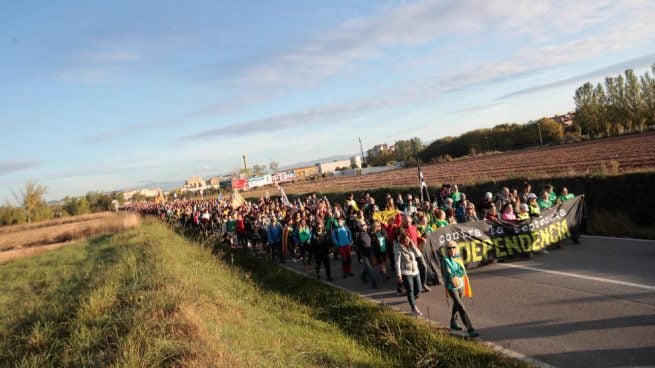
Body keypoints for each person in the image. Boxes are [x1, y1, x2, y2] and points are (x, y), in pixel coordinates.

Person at [441, 240, 478, 337]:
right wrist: (457, 273)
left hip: (461, 285)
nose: (451, 250)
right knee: (461, 306)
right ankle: (470, 328)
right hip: (451, 287)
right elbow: (449, 275)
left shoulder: (459, 259)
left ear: (456, 248)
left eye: (453, 247)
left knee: (457, 305)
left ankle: (453, 322)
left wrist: (457, 273)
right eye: (449, 248)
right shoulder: (445, 260)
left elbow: (463, 272)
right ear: (446, 250)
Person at [395, 233, 423, 316]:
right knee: (410, 290)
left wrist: (414, 246)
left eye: (408, 239)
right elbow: (397, 263)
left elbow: (419, 255)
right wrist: (399, 275)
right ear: (402, 240)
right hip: (406, 272)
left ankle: (411, 299)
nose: (407, 240)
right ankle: (414, 308)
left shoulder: (411, 247)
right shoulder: (398, 249)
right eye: (406, 239)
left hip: (415, 271)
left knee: (418, 289)